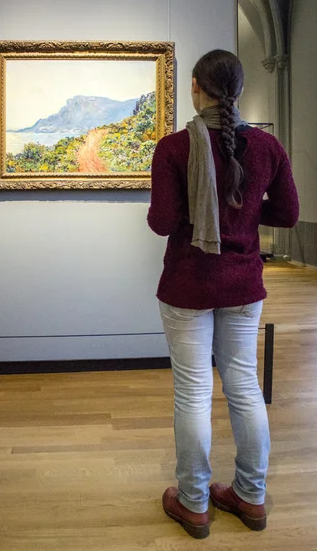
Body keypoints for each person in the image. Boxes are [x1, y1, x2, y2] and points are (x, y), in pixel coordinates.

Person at [147, 49, 299, 539]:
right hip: (242, 283)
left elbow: (163, 223)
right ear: (236, 89)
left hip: (189, 284)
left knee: (193, 393)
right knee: (245, 387)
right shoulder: (268, 147)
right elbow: (289, 214)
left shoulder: (173, 148)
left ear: (195, 86)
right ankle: (250, 497)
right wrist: (246, 216)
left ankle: (193, 503)